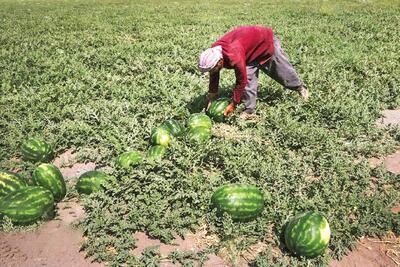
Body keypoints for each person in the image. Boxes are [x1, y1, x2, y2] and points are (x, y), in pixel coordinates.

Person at [198, 25, 309, 119]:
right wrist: (211, 98)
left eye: (212, 69)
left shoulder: (233, 55)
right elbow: (214, 74)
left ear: (220, 62)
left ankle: (300, 88)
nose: (211, 72)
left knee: (283, 71)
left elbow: (241, 80)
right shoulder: (214, 54)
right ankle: (249, 111)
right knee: (248, 82)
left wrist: (234, 103)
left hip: (264, 42)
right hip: (247, 50)